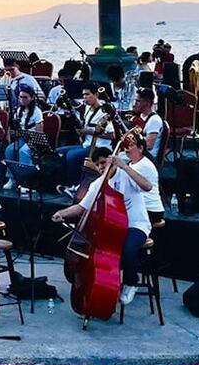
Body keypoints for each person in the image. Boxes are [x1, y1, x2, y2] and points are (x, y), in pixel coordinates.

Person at [52, 140, 152, 306]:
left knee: (127, 247)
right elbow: (81, 207)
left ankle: (131, 282)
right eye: (97, 165)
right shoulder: (97, 184)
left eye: (103, 162)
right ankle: (103, 288)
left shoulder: (126, 173)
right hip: (112, 228)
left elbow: (147, 186)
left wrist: (125, 166)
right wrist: (61, 213)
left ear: (111, 160)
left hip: (136, 225)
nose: (101, 167)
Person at [55, 83, 114, 194]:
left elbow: (112, 135)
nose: (85, 98)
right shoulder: (87, 108)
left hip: (98, 146)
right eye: (83, 95)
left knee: (71, 156)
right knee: (58, 152)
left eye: (88, 94)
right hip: (87, 144)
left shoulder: (104, 111)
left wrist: (88, 131)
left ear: (96, 94)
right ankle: (63, 182)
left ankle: (74, 186)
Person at [3, 84, 44, 189]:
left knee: (23, 151)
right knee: (9, 150)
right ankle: (11, 178)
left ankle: (27, 181)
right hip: (22, 138)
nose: (22, 100)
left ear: (31, 98)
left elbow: (40, 131)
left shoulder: (37, 112)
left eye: (25, 97)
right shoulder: (18, 110)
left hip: (33, 139)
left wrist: (35, 144)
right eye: (20, 97)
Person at [134, 88, 164, 160]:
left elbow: (149, 146)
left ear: (147, 102)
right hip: (138, 152)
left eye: (138, 101)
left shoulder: (154, 120)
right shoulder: (140, 116)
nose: (134, 104)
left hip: (147, 156)